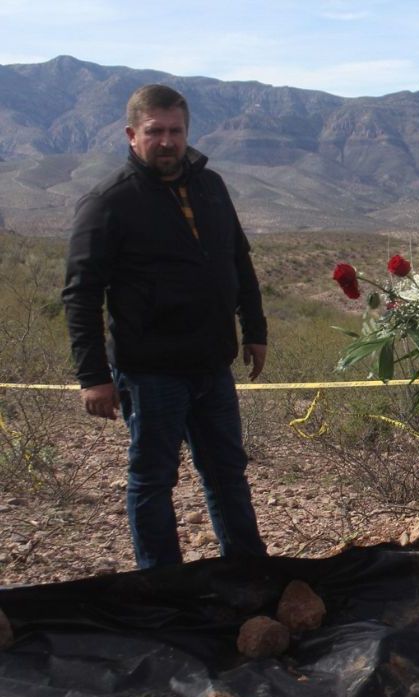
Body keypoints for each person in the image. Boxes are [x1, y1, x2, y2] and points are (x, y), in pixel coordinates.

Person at [62, 84, 268, 569]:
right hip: (150, 370)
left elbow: (239, 261)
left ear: (187, 131)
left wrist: (254, 328)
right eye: (155, 132)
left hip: (212, 365)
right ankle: (163, 588)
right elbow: (81, 293)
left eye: (175, 131)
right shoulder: (109, 201)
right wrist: (93, 376)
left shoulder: (210, 187)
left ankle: (251, 572)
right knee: (153, 481)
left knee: (227, 474)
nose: (167, 142)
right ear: (133, 135)